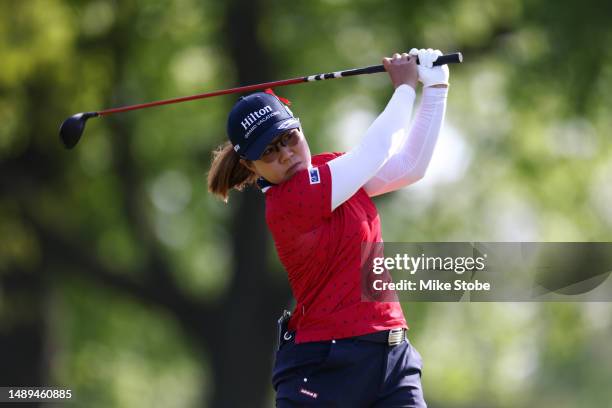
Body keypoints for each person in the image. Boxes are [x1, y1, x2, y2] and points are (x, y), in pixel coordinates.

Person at [208, 48, 449, 407]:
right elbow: (376, 150)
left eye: (288, 138)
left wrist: (437, 87)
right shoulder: (288, 202)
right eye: (269, 152)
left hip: (392, 355)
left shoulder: (333, 170)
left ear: (300, 128)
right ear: (251, 166)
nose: (286, 155)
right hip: (326, 368)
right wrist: (403, 87)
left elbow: (410, 166)